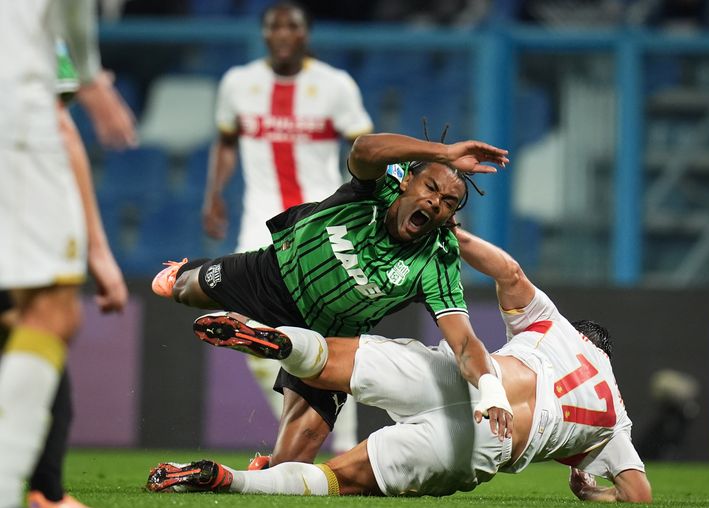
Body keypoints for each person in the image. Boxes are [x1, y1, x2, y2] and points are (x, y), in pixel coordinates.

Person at [146, 227, 651, 503]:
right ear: (604, 356)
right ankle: (231, 481)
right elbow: (638, 496)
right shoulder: (616, 421)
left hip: (471, 376)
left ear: (584, 337)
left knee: (337, 359)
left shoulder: (556, 328)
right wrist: (596, 496)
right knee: (340, 479)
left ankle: (276, 338)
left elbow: (509, 271)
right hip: (488, 439)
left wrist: (453, 233)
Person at [152, 131, 513, 467]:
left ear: (450, 216)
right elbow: (363, 149)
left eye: (448, 202)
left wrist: (491, 386)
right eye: (430, 187)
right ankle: (192, 274)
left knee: (289, 466)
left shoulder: (437, 258)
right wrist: (446, 152)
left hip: (327, 341)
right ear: (406, 180)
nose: (435, 202)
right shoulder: (377, 188)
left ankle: (262, 464)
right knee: (183, 290)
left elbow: (464, 342)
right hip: (275, 274)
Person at [203, 1, 374, 455]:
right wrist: (214, 195)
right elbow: (224, 143)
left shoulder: (335, 86)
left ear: (306, 34)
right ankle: (295, 433)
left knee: (332, 335)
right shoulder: (238, 83)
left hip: (320, 222)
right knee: (247, 328)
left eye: (291, 26)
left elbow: (367, 149)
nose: (282, 34)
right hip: (259, 223)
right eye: (273, 26)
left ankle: (347, 445)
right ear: (263, 34)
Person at [0, 1, 137, 508]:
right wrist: (90, 79)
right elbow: (61, 124)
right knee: (51, 312)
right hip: (16, 121)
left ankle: (39, 498)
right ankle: (21, 502)